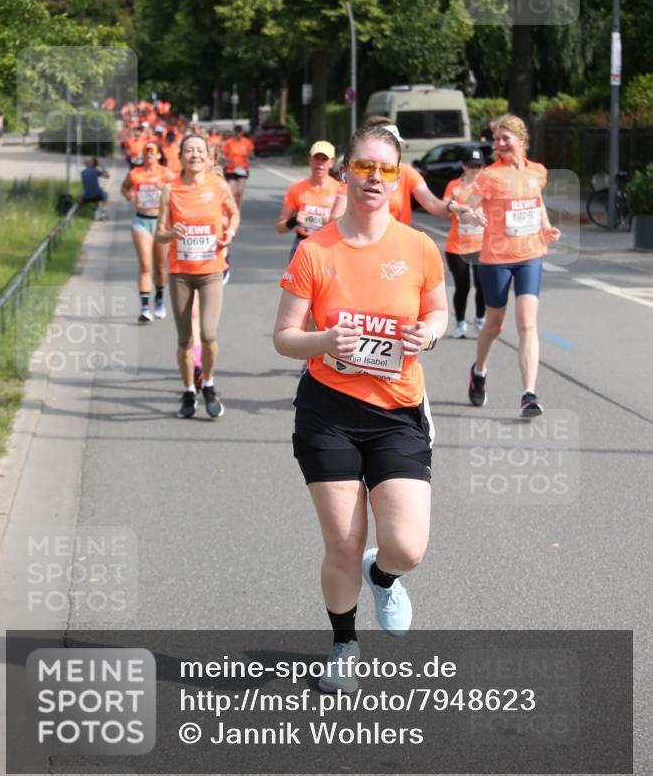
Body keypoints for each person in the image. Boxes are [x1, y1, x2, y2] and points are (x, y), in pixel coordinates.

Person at [273, 124, 447, 692]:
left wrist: (430, 333)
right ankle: (344, 643)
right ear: (345, 171)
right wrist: (323, 342)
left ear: (398, 177)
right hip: (329, 413)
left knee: (407, 547)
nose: (375, 178)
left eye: (386, 169)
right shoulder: (315, 251)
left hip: (397, 410)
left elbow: (438, 312)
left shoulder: (418, 247)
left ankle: (384, 575)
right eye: (365, 166)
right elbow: (283, 336)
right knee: (341, 544)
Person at [465, 114, 561, 418]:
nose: (500, 144)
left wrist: (545, 226)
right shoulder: (490, 176)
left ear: (522, 139)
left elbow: (536, 201)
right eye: (497, 139)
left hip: (531, 253)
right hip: (496, 259)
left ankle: (528, 394)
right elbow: (468, 205)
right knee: (495, 325)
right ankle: (479, 371)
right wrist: (473, 214)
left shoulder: (538, 172)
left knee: (527, 323)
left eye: (506, 138)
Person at [156, 134, 240, 419]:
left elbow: (234, 213)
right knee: (184, 339)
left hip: (210, 271)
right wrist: (171, 233)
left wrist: (229, 233)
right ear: (181, 156)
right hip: (180, 272)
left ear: (207, 156)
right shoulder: (170, 190)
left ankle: (209, 385)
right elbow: (158, 233)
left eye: (199, 151)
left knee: (208, 333)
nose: (194, 155)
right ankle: (189, 390)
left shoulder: (218, 185)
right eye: (189, 150)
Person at [330, 116, 485, 229]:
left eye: (398, 144)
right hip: (361, 242)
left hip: (396, 247)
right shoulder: (358, 173)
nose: (376, 177)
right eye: (391, 143)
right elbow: (335, 217)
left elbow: (432, 203)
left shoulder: (406, 172)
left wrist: (454, 208)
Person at [121, 141, 175, 322]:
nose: (149, 154)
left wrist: (166, 191)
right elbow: (125, 188)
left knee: (160, 267)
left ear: (159, 155)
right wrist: (128, 195)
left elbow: (179, 190)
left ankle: (159, 300)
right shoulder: (135, 173)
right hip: (141, 222)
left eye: (153, 152)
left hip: (161, 223)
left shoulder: (166, 173)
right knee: (145, 265)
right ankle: (145, 308)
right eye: (146, 151)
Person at [443, 148, 486, 338]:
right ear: (463, 165)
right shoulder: (454, 186)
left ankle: (480, 318)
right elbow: (445, 207)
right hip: (457, 246)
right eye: (471, 166)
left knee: (483, 284)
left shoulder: (486, 186)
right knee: (463, 286)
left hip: (482, 245)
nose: (474, 170)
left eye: (478, 166)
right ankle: (460, 322)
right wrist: (458, 208)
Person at [276, 141, 341, 260]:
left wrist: (333, 222)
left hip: (328, 245)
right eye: (316, 158)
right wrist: (294, 220)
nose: (319, 164)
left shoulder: (340, 190)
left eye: (324, 159)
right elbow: (280, 228)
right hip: (303, 243)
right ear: (310, 160)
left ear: (331, 162)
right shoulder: (296, 189)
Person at [221, 125, 254, 208]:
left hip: (242, 169)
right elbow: (222, 155)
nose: (238, 135)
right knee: (232, 192)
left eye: (239, 133)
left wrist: (251, 156)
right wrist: (226, 159)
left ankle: (237, 210)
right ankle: (231, 209)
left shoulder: (247, 142)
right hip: (230, 170)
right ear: (234, 133)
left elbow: (251, 154)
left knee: (240, 191)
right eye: (236, 133)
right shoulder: (229, 142)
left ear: (242, 132)